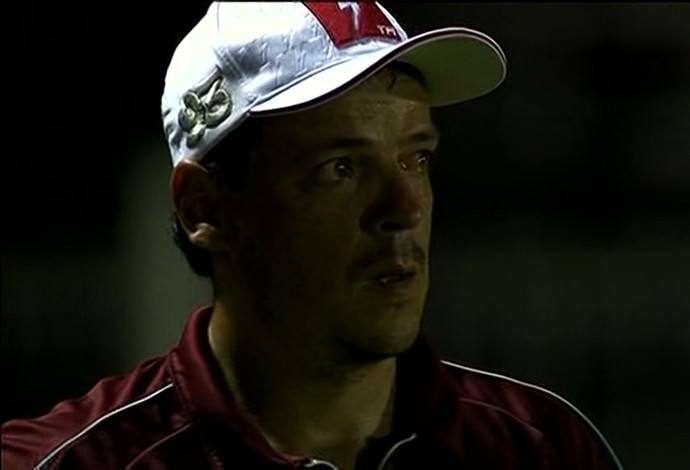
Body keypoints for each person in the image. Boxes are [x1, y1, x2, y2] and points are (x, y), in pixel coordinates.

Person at [2, 2, 623, 469]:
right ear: (204, 207)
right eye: (341, 168)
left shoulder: (542, 445)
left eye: (416, 158)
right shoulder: (71, 462)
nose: (404, 208)